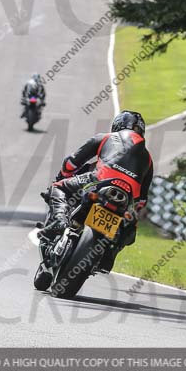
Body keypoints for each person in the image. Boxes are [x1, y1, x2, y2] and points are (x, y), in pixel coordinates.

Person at [42, 110, 153, 269]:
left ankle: (59, 220)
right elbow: (142, 199)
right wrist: (131, 212)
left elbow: (72, 163)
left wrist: (62, 176)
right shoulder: (148, 158)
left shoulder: (106, 137)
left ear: (117, 125)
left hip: (99, 181)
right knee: (129, 228)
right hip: (127, 197)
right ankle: (109, 254)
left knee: (59, 188)